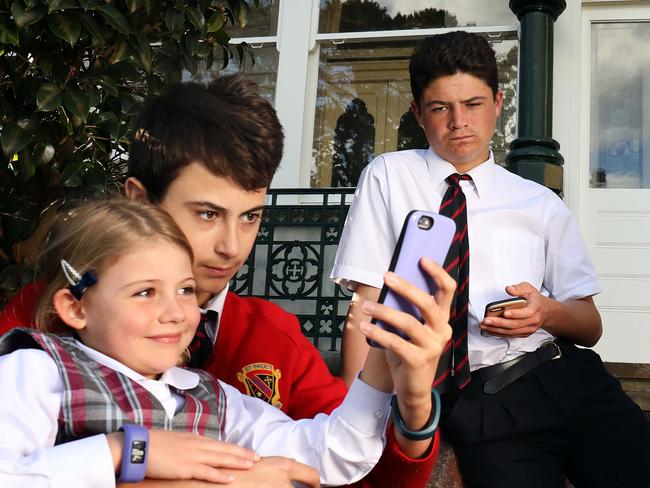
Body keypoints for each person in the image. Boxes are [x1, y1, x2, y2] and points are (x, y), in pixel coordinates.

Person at [0, 76, 442, 487]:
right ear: (139, 200)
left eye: (250, 217)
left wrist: (393, 377)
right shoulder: (36, 348)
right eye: (207, 214)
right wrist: (136, 455)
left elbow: (342, 458)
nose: (232, 246)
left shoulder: (230, 379)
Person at [331, 31, 650, 488]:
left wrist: (547, 310)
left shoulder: (539, 203)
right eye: (441, 108)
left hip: (566, 375)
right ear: (419, 114)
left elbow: (590, 325)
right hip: (481, 401)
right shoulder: (389, 176)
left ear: (498, 103)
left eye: (474, 104)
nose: (459, 121)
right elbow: (367, 308)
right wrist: (352, 427)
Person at [0, 198, 454, 487]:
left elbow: (334, 455)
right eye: (144, 292)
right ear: (75, 307)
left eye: (185, 290)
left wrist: (381, 365)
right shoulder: (38, 371)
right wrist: (128, 452)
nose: (175, 312)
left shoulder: (211, 397)